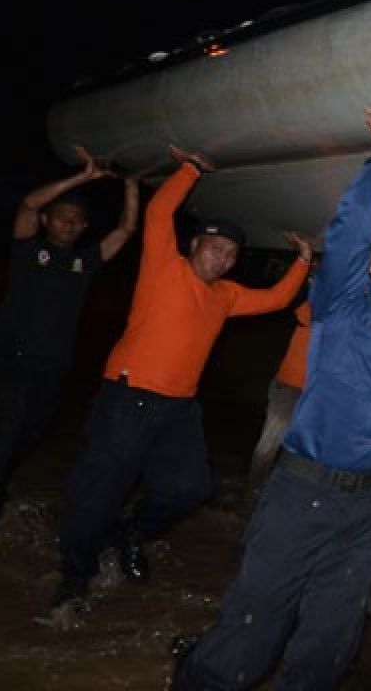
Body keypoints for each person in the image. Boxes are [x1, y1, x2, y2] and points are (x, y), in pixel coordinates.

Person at [175, 107, 371, 690]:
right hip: (303, 495)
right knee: (249, 634)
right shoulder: (346, 302)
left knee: (329, 650)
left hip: (370, 510)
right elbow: (354, 217)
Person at [53, 145, 312, 613]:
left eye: (232, 253)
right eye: (216, 248)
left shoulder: (227, 296)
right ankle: (73, 583)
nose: (224, 259)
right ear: (196, 246)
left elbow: (276, 300)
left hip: (178, 408)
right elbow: (159, 210)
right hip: (127, 398)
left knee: (190, 488)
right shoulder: (164, 268)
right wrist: (191, 169)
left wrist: (303, 261)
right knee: (98, 495)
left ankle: (132, 532)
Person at [0, 146, 138, 521]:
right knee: (7, 426)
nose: (69, 224)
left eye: (77, 221)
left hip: (53, 363)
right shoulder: (28, 249)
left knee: (38, 427)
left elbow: (126, 230)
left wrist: (131, 186)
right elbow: (29, 205)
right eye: (62, 218)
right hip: (8, 355)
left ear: (84, 227)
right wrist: (84, 176)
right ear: (49, 220)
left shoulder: (84, 262)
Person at [245, 298, 312, 498]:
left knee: (301, 451)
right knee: (270, 444)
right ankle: (252, 494)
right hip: (289, 386)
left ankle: (281, 497)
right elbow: (304, 314)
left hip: (316, 392)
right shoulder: (317, 304)